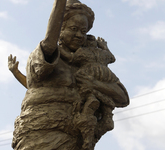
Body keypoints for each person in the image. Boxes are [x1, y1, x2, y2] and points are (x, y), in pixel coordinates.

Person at [8, 0, 129, 150]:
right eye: (73, 29)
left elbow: (122, 98)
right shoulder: (46, 56)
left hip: (77, 139)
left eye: (83, 31)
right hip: (42, 134)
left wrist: (93, 84)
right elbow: (49, 44)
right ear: (60, 29)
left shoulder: (90, 65)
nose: (79, 35)